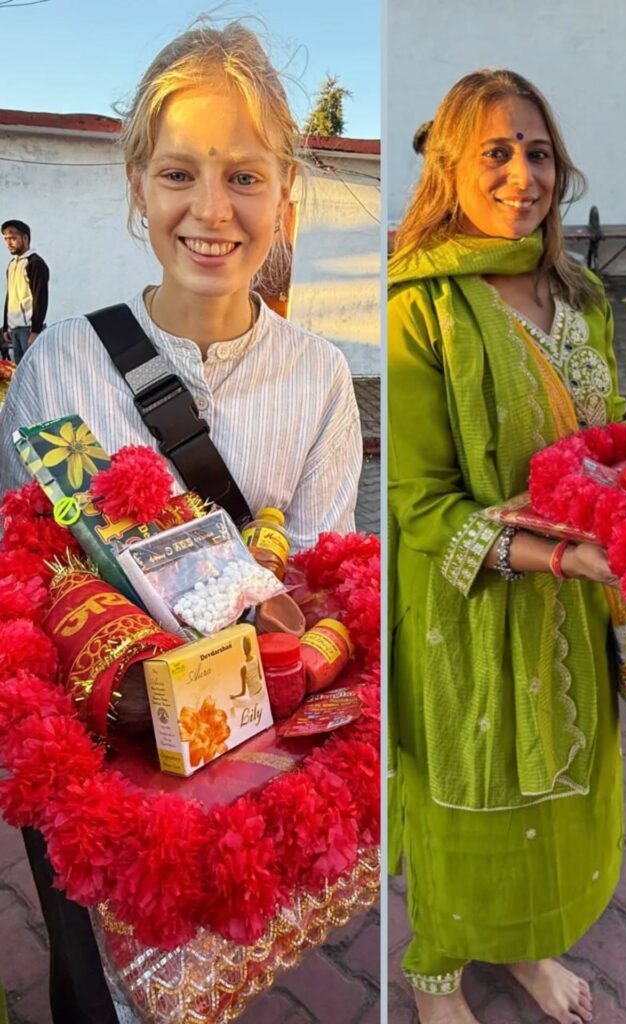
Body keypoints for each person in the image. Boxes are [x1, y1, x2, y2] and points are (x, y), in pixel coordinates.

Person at [0, 20, 362, 1024]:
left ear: (285, 194)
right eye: (179, 174)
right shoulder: (58, 369)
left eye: (244, 176)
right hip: (97, 776)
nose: (211, 211)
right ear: (138, 188)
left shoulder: (320, 379)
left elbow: (322, 584)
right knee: (96, 990)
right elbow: (25, 576)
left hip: (239, 773)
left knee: (215, 970)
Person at [388, 69, 626, 1024]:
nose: (523, 175)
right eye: (496, 151)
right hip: (468, 601)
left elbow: (608, 435)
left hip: (576, 600)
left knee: (559, 784)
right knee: (470, 786)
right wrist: (560, 554)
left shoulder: (581, 293)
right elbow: (418, 503)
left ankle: (526, 944)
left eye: (538, 152)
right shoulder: (420, 306)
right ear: (450, 165)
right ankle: (434, 971)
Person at [1, 219, 49, 364]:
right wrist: (6, 327)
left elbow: (40, 298)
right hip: (15, 330)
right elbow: (10, 296)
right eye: (6, 239)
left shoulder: (35, 264)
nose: (9, 243)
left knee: (34, 370)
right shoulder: (12, 265)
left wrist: (36, 330)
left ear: (25, 238)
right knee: (19, 371)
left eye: (13, 238)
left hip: (29, 330)